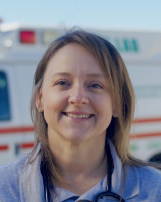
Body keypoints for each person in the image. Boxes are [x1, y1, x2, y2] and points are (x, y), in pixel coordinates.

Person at [0, 30, 161, 202]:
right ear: (39, 98)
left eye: (95, 85)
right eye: (62, 83)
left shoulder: (154, 188)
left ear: (117, 103)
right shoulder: (4, 187)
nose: (77, 98)